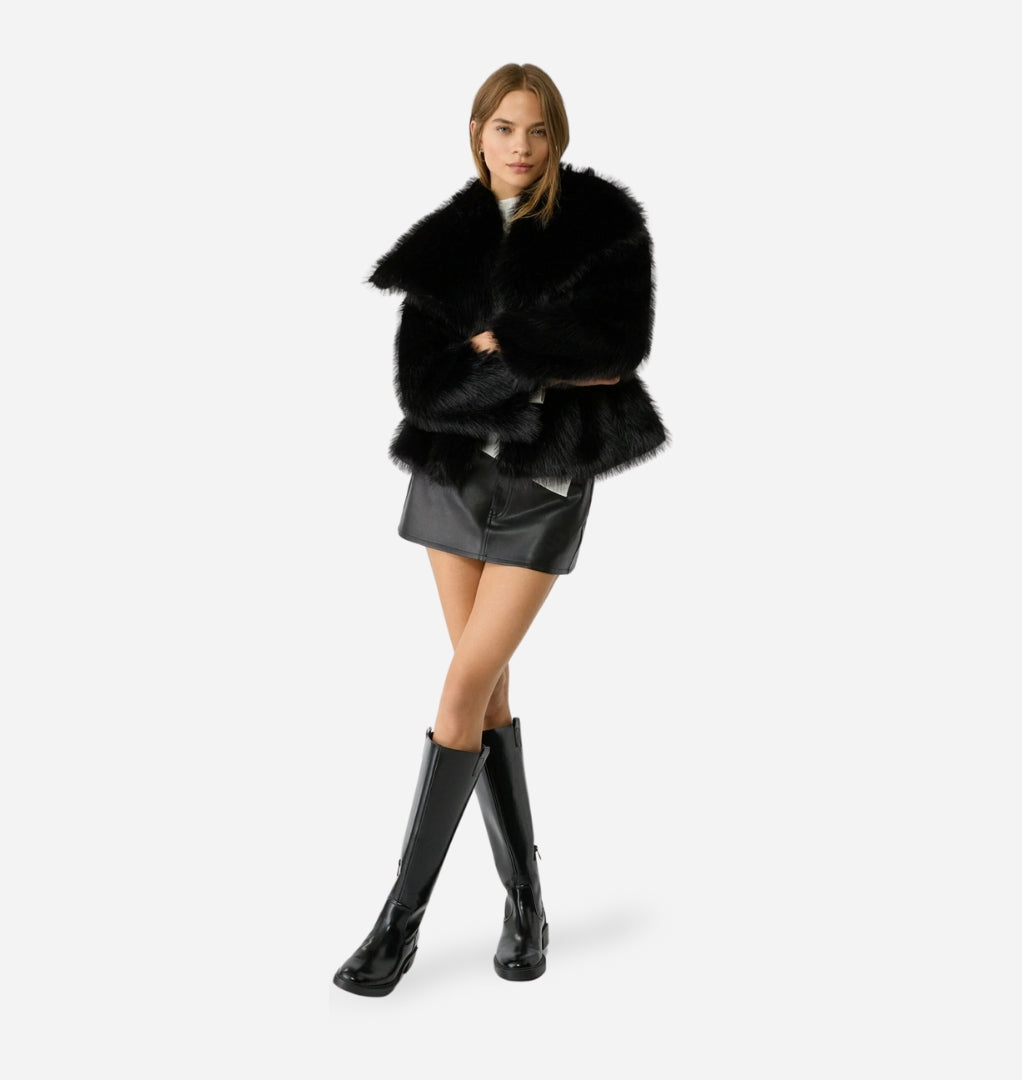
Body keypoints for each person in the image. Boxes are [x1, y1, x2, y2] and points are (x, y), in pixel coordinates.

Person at [332, 62, 668, 997]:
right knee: (486, 693)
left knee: (462, 684)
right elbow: (423, 387)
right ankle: (527, 905)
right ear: (477, 133)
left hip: (542, 484)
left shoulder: (604, 226)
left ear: (558, 138)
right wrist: (535, 361)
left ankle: (397, 925)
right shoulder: (444, 242)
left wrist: (502, 346)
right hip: (451, 478)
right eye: (505, 127)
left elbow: (617, 351)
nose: (521, 146)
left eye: (539, 130)